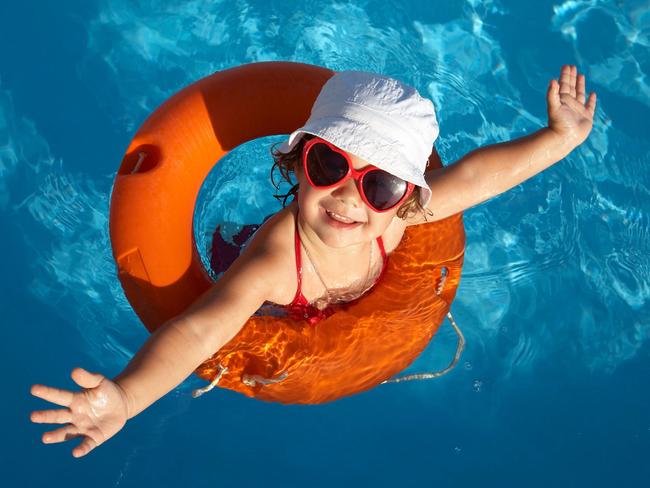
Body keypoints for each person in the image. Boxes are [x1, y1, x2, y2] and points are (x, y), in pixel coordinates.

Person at [30, 65, 596, 457]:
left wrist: (558, 138)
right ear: (298, 161)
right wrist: (127, 396)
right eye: (330, 165)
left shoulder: (401, 221)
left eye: (381, 182)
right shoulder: (277, 258)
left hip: (344, 307)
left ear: (408, 195)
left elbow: (475, 178)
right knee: (229, 271)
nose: (351, 195)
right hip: (279, 300)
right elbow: (200, 330)